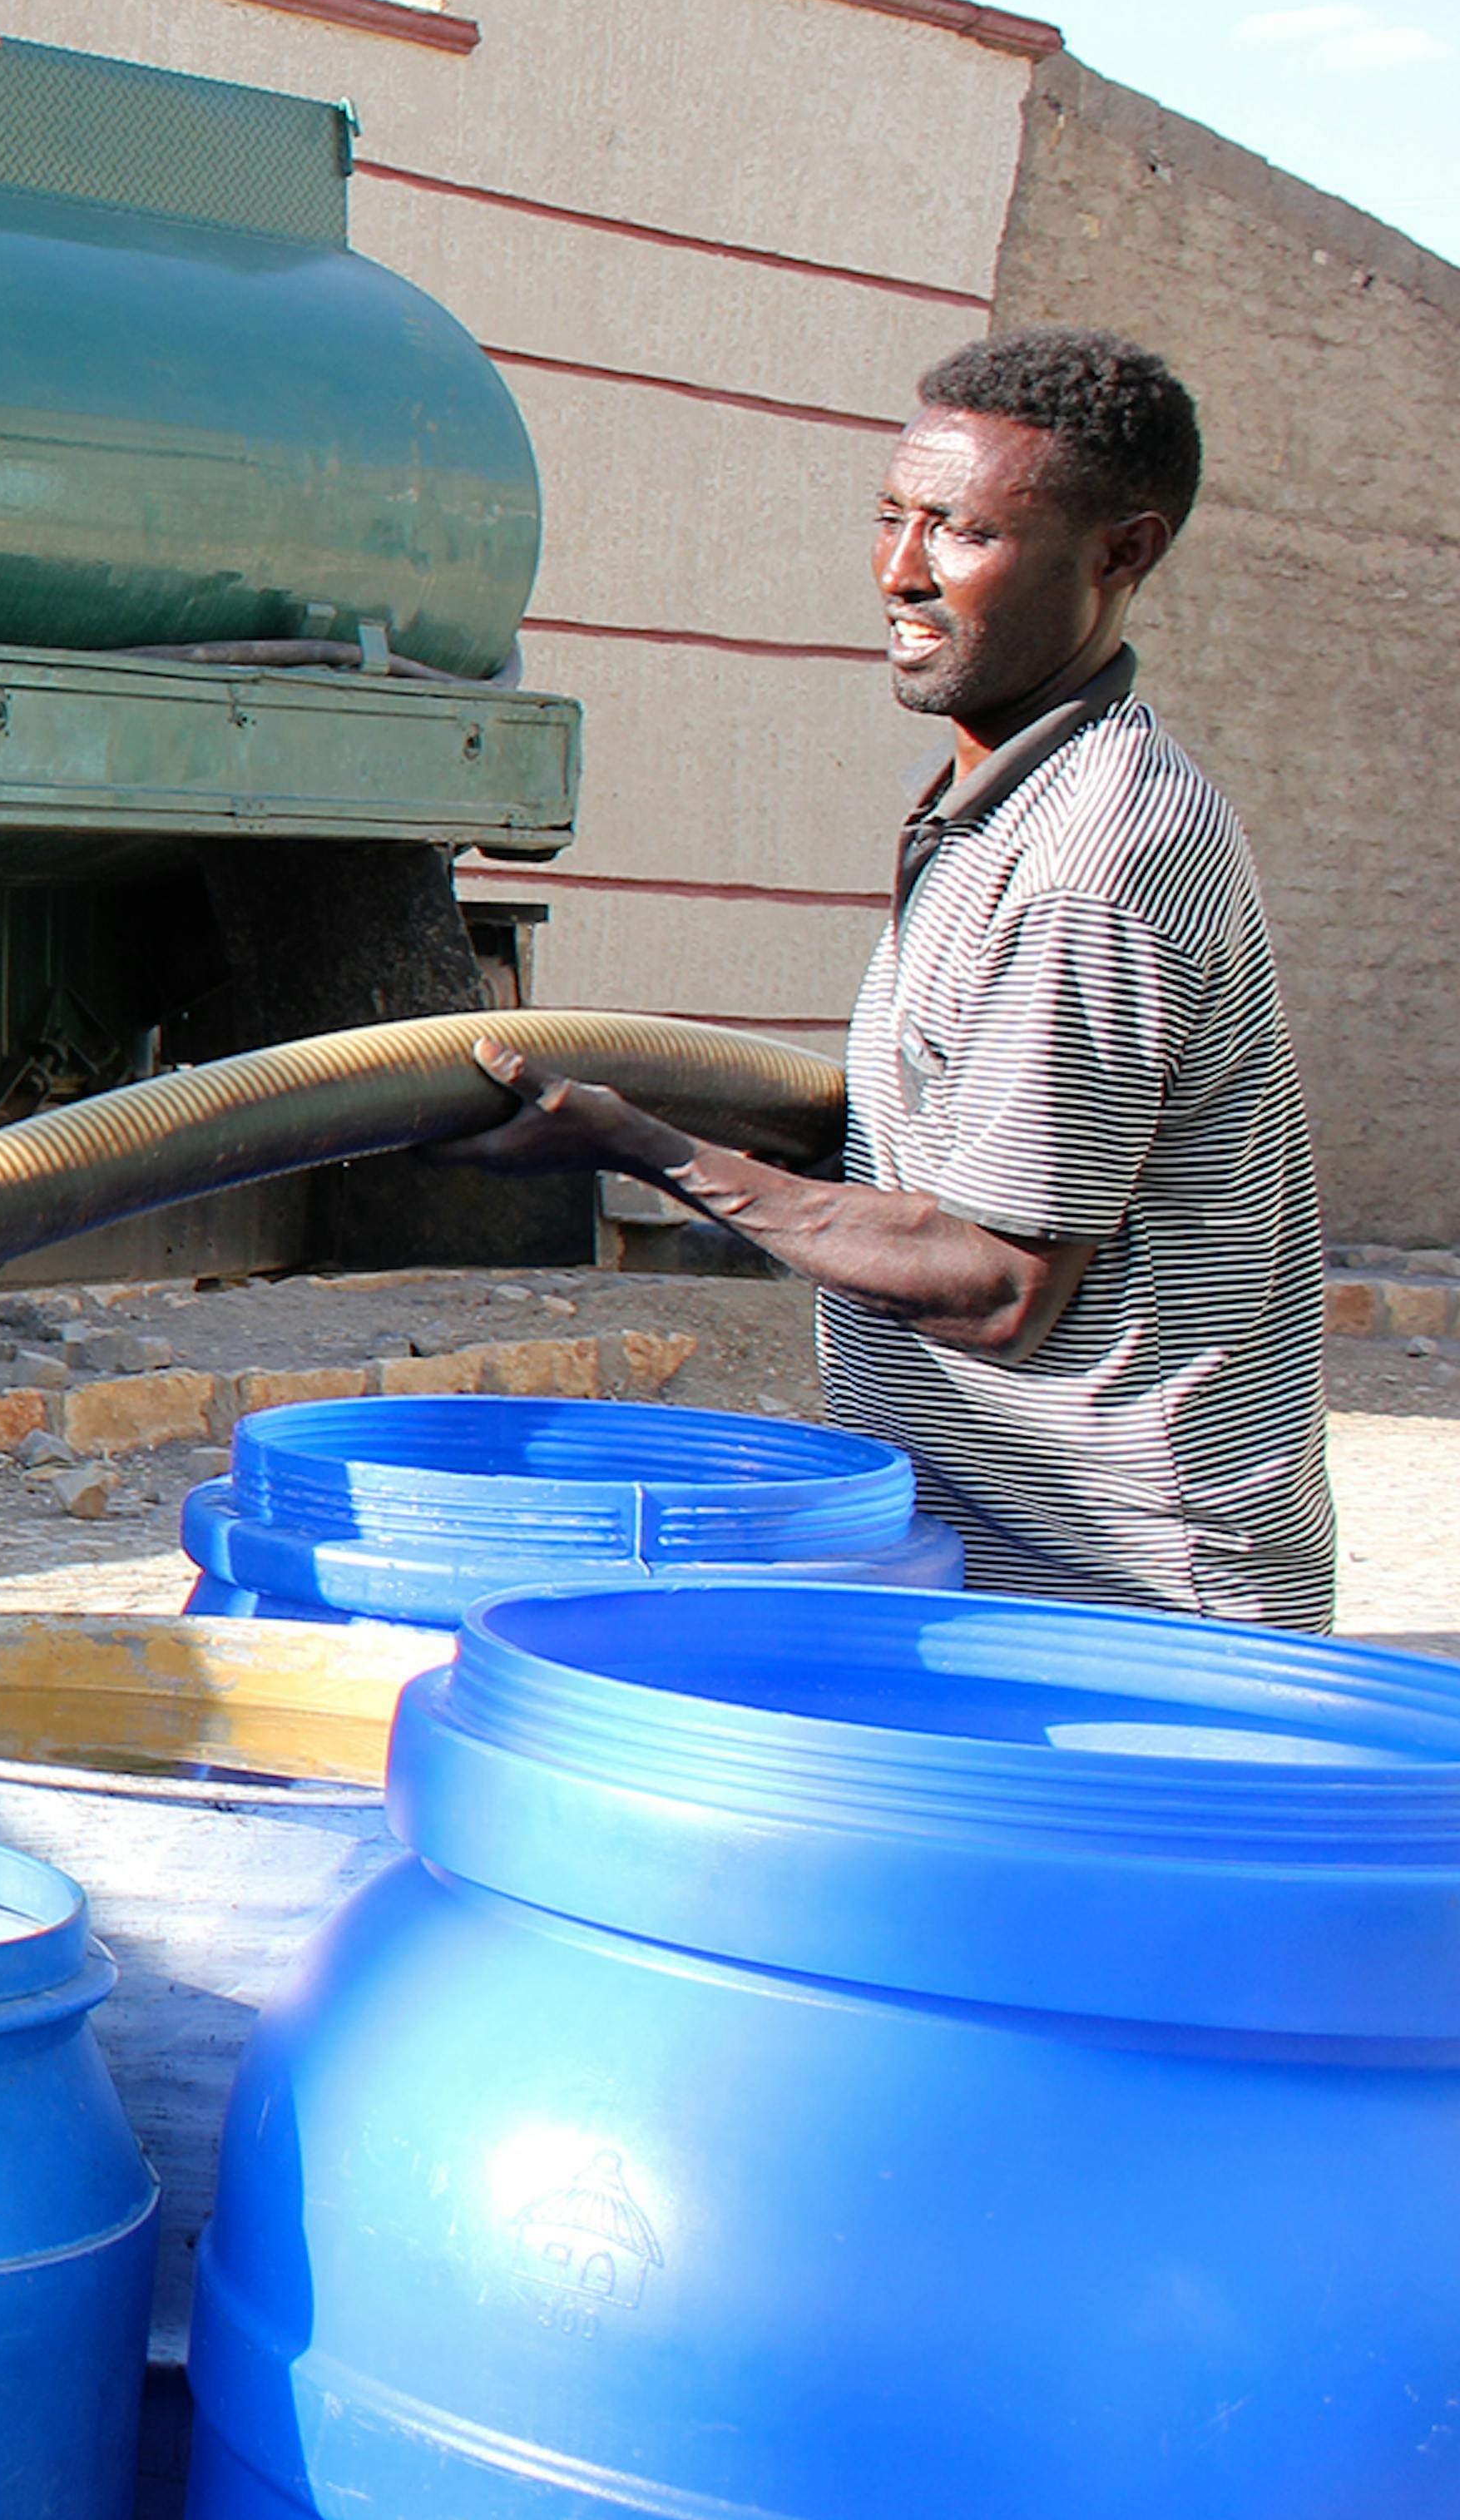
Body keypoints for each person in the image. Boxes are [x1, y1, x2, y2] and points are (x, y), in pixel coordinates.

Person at [456, 327, 1333, 1626]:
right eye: (890, 517)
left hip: (1128, 1600)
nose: (901, 573)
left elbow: (996, 1284)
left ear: (1123, 552)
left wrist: (643, 1146)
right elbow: (932, 1152)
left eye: (965, 534)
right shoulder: (1005, 807)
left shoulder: (1096, 858)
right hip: (999, 1548)